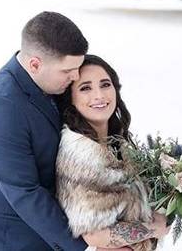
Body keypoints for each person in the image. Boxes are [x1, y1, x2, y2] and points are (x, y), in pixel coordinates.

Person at [0, 12, 130, 251]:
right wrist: (87, 246)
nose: (75, 76)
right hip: (10, 243)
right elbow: (25, 192)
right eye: (68, 71)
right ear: (35, 64)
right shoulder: (0, 107)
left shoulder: (47, 82)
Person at [55, 55, 170, 251]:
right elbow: (94, 235)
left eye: (105, 85)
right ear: (71, 99)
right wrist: (153, 229)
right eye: (85, 88)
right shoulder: (81, 155)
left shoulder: (117, 145)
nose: (99, 95)